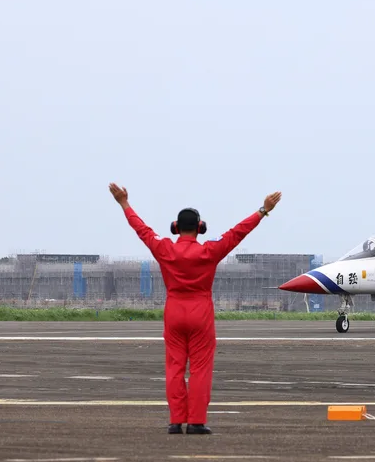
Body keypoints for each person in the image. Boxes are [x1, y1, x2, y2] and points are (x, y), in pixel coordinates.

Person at [108, 183, 282, 435]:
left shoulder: (164, 248)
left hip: (174, 310)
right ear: (200, 228)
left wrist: (124, 203)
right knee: (200, 368)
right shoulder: (209, 251)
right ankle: (196, 421)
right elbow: (237, 233)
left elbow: (142, 229)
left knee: (174, 367)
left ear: (175, 227)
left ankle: (176, 421)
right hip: (200, 311)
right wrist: (263, 210)